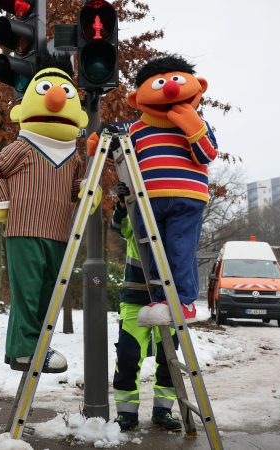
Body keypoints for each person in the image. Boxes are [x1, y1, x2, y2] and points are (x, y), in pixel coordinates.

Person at [0, 57, 100, 373]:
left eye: (64, 92)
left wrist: (88, 190)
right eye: (47, 90)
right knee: (28, 292)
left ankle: (26, 348)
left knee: (50, 293)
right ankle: (25, 350)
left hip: (59, 233)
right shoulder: (24, 146)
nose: (57, 98)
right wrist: (0, 204)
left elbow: (74, 187)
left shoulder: (72, 155)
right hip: (25, 229)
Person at [90, 54, 218, 326]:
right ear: (137, 99)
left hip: (188, 198)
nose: (170, 88)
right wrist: (99, 142)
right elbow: (122, 153)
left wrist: (192, 125)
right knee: (151, 252)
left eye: (176, 81)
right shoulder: (137, 129)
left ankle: (184, 301)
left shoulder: (199, 125)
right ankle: (161, 299)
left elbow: (206, 155)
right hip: (148, 201)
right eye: (160, 83)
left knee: (180, 249)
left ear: (199, 86)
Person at [110, 182, 181, 432]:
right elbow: (118, 226)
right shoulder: (138, 218)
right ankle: (126, 415)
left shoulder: (175, 226)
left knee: (168, 360)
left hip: (167, 300)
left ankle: (163, 412)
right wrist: (122, 204)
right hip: (134, 298)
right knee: (128, 357)